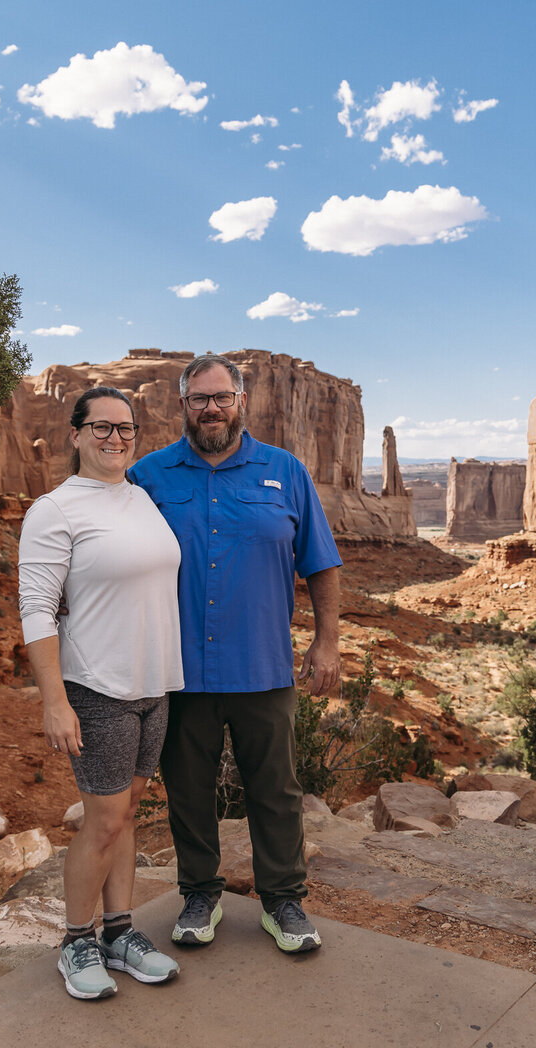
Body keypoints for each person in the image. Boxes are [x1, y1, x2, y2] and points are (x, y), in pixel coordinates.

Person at [128, 354, 342, 955]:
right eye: (200, 399)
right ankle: (200, 894)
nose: (212, 409)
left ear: (241, 401)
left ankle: (284, 901)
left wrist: (327, 641)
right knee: (187, 790)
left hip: (263, 665)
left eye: (222, 397)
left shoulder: (284, 471)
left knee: (275, 789)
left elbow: (321, 562)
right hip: (178, 669)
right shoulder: (148, 476)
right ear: (182, 405)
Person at [18, 386, 184, 1000]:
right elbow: (36, 608)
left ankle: (119, 932)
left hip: (154, 684)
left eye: (126, 428)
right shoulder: (54, 510)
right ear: (76, 434)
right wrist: (54, 701)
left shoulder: (139, 497)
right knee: (105, 820)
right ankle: (76, 941)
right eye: (102, 427)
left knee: (128, 813)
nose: (116, 438)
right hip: (97, 686)